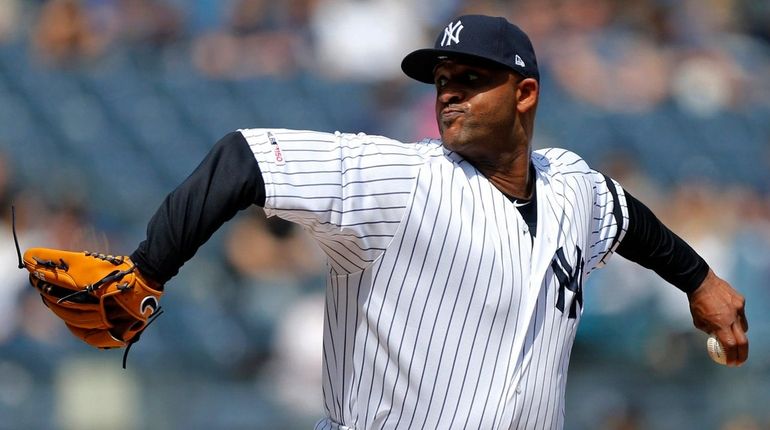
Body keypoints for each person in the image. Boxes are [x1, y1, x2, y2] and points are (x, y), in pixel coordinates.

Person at [34, 14, 750, 429]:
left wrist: (702, 282)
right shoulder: (405, 179)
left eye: (472, 79)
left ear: (525, 93)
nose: (449, 94)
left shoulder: (572, 188)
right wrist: (149, 268)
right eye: (442, 80)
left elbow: (628, 220)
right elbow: (244, 157)